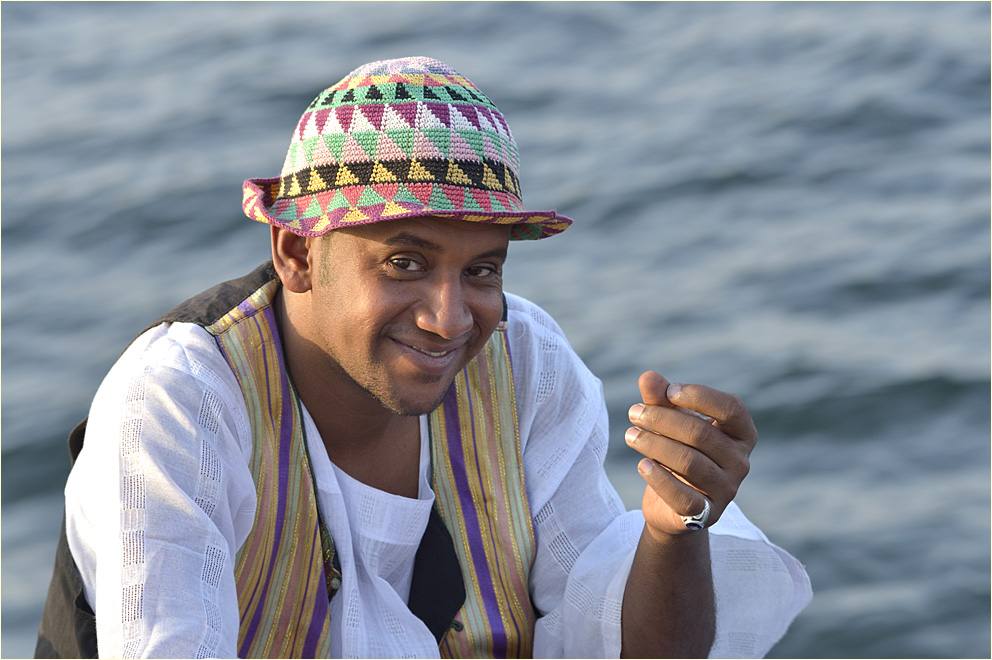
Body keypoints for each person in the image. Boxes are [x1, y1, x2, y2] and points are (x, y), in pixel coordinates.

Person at [36, 56, 810, 659]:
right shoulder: (180, 400)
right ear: (296, 253)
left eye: (482, 270)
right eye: (404, 262)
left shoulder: (523, 362)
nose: (449, 321)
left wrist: (674, 530)